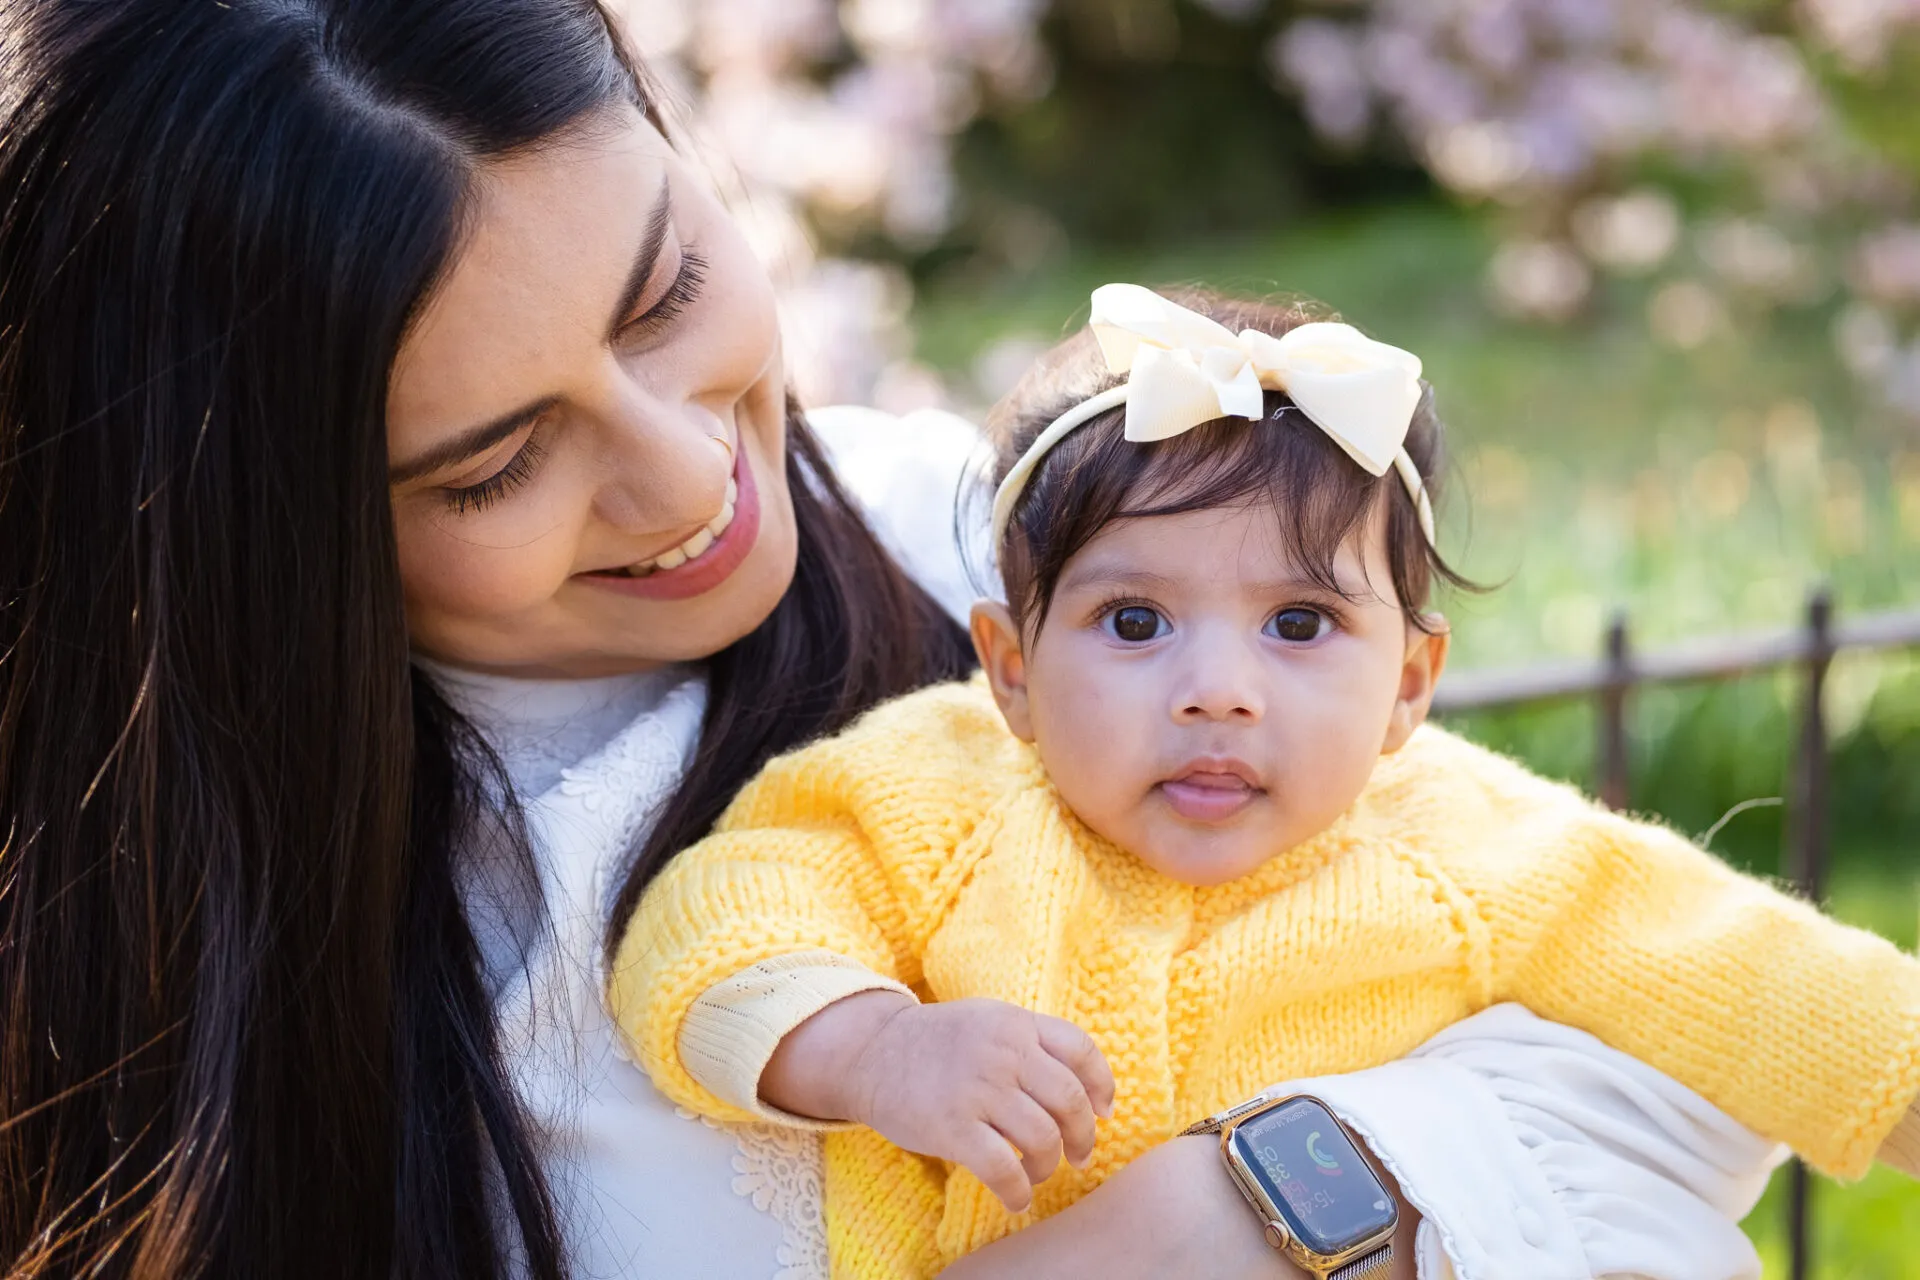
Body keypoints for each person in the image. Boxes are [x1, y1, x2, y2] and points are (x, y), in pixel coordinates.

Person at [0, 1, 1853, 1276]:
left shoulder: (1038, 560)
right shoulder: (141, 966)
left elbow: (1646, 1055)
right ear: (250, 542)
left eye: (666, 292)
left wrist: (1237, 1215)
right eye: (495, 463)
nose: (685, 480)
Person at [618, 285, 1920, 1278]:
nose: (1217, 688)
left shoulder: (1474, 851)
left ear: (1409, 683)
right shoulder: (931, 788)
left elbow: (1769, 984)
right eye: (1135, 624)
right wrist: (871, 1048)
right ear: (1011, 669)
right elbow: (717, 917)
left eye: (1300, 625)